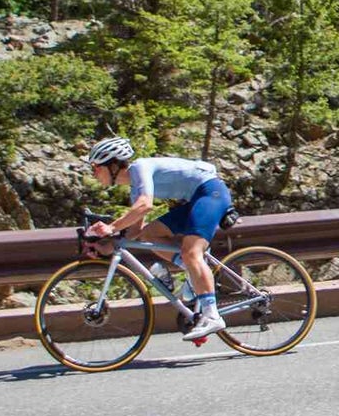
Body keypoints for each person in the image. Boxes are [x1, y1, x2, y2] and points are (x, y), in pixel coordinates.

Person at [82, 137, 232, 340]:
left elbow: (145, 205)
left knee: (191, 252)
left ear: (114, 165)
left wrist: (110, 227)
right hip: (194, 200)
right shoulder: (135, 187)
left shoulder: (140, 168)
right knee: (150, 235)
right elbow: (135, 231)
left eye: (96, 168)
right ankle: (193, 270)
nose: (94, 174)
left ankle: (212, 316)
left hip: (210, 193)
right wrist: (107, 246)